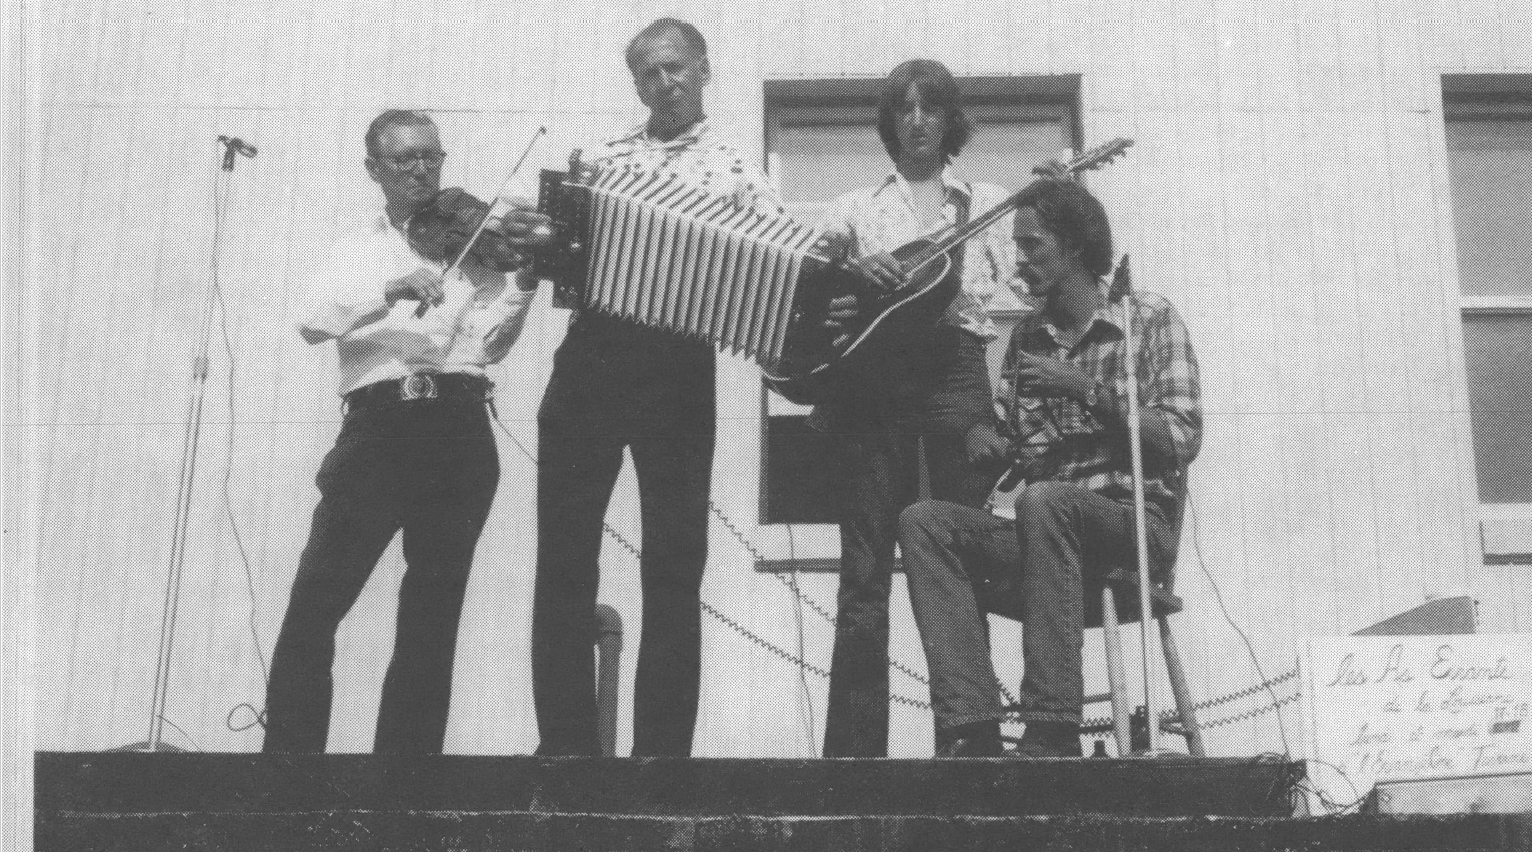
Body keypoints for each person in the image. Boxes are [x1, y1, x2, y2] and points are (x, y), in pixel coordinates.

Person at [531, 18, 785, 757]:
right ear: (636, 84)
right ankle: (568, 744)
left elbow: (781, 261)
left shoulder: (738, 169)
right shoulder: (601, 158)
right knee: (565, 554)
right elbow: (555, 254)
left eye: (675, 69)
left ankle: (663, 753)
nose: (664, 84)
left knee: (675, 559)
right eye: (648, 74)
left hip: (678, 366)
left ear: (703, 70)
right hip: (592, 358)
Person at [263, 109, 546, 753]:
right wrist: (389, 289)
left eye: (432, 158)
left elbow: (492, 346)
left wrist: (522, 287)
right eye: (405, 160)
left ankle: (406, 774)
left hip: (459, 426)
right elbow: (312, 319)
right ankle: (286, 768)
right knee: (319, 598)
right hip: (380, 430)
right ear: (374, 170)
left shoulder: (469, 248)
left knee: (432, 612)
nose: (422, 172)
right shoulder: (353, 246)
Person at [896, 177, 1202, 757]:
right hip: (1048, 541)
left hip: (1133, 531)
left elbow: (1181, 437)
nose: (1020, 260)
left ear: (1075, 248)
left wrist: (1086, 390)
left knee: (1046, 502)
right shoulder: (1028, 338)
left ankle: (1052, 727)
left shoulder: (1149, 320)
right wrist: (986, 439)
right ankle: (973, 726)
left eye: (1033, 245)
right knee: (923, 522)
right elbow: (1017, 451)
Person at [811, 59, 1018, 758]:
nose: (919, 120)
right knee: (865, 566)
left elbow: (1033, 278)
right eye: (905, 108)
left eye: (932, 107)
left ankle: (968, 739)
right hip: (876, 381)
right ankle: (853, 754)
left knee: (958, 555)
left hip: (958, 375)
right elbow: (813, 289)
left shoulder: (986, 200)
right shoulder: (855, 207)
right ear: (890, 121)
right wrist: (846, 272)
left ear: (950, 119)